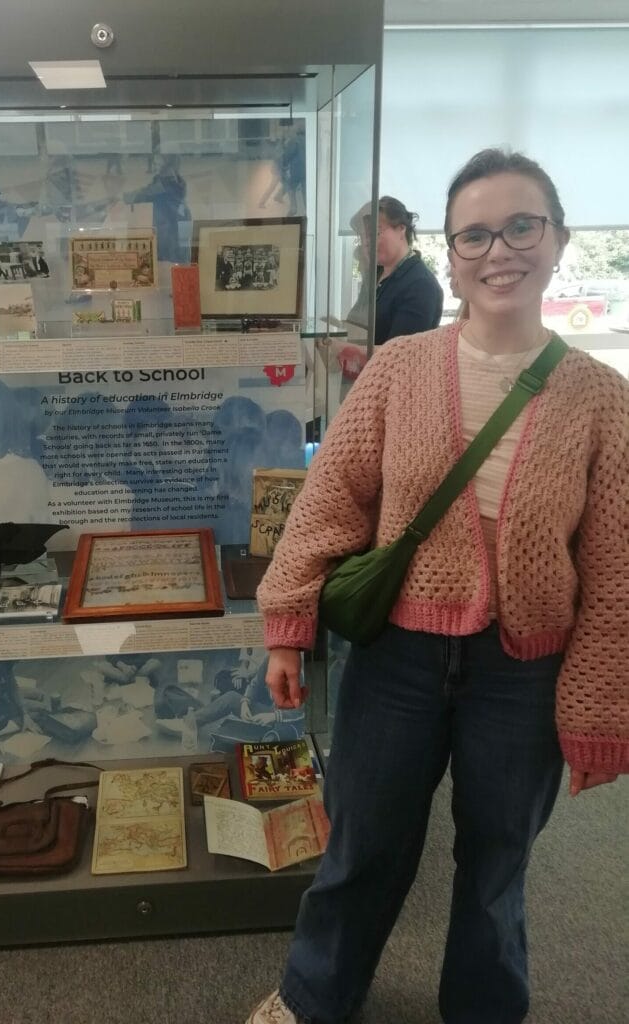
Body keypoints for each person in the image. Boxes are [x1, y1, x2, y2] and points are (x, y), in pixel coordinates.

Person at [248, 149, 628, 1024]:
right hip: (398, 658)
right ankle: (314, 997)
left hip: (522, 671)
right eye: (475, 234)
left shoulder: (601, 399)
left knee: (496, 861)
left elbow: (613, 574)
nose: (499, 250)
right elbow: (329, 500)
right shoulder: (400, 368)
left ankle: (484, 1008)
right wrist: (286, 622)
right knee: (361, 847)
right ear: (450, 255)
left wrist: (599, 706)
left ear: (558, 239)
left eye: (521, 226)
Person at [372, 195, 443, 344]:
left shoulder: (420, 284)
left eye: (377, 232)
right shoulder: (377, 274)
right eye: (366, 235)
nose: (369, 241)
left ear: (401, 229)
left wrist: (343, 348)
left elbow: (400, 351)